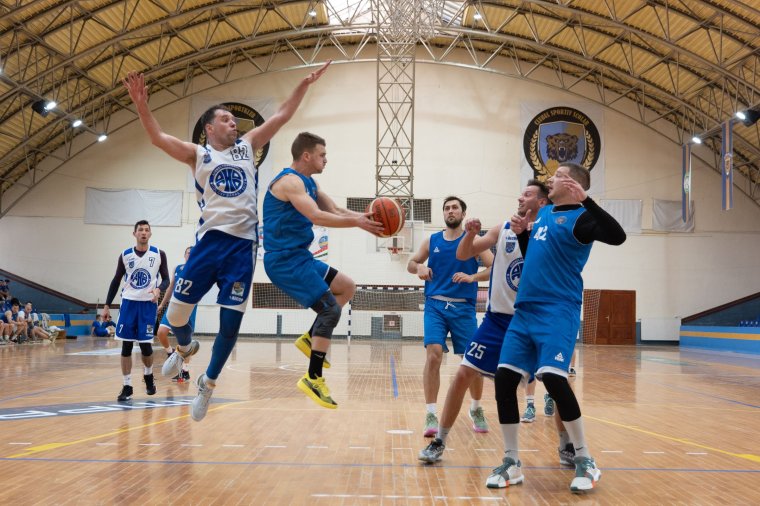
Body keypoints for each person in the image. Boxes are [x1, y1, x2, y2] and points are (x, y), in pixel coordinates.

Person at [124, 61, 331, 421]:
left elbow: (282, 115)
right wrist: (142, 106)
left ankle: (208, 383)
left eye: (235, 120)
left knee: (230, 324)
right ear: (209, 128)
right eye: (225, 119)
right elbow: (158, 138)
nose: (234, 123)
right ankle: (185, 347)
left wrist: (303, 84)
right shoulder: (197, 154)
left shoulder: (248, 146)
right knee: (175, 316)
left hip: (242, 246)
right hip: (208, 243)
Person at [487, 163, 626, 493]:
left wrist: (587, 200)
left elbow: (618, 237)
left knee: (552, 377)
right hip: (525, 310)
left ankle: (584, 459)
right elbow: (534, 256)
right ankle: (511, 462)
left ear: (573, 184)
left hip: (558, 309)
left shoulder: (582, 219)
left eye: (558, 175)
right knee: (505, 379)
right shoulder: (545, 214)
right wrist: (523, 234)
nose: (550, 179)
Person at [419, 182, 549, 463]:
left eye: (527, 194)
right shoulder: (502, 229)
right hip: (495, 319)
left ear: (542, 203)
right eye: (446, 207)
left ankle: (570, 446)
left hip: (531, 318)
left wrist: (471, 277)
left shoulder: (550, 234)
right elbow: (463, 254)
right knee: (462, 372)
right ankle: (440, 439)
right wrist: (470, 234)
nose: (519, 197)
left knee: (555, 381)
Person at [263, 132, 383, 409]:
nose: (326, 160)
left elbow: (336, 209)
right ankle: (313, 379)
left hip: (300, 256)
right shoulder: (289, 182)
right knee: (330, 310)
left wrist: (363, 219)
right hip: (283, 261)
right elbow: (316, 216)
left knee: (347, 287)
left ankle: (310, 338)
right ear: (306, 156)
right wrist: (358, 224)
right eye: (322, 155)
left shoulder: (310, 183)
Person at [407, 196, 494, 436]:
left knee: (472, 362)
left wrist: (473, 277)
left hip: (463, 308)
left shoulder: (474, 241)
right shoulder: (432, 240)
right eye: (446, 208)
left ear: (463, 214)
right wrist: (419, 267)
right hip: (435, 305)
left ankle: (476, 408)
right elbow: (411, 263)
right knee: (434, 355)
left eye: (455, 207)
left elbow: (494, 267)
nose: (450, 211)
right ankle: (431, 414)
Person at [102, 220, 170, 402]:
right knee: (127, 346)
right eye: (140, 230)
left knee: (146, 346)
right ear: (134, 234)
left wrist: (158, 289)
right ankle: (127, 386)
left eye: (147, 230)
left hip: (147, 305)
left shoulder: (159, 254)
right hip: (129, 304)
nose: (144, 232)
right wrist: (107, 305)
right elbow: (116, 280)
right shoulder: (125, 255)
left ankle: (148, 376)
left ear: (150, 234)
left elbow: (166, 280)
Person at [156, 246, 198, 382]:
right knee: (161, 332)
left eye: (193, 253)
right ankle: (170, 353)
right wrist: (162, 304)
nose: (190, 254)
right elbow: (170, 288)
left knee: (185, 342)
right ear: (184, 255)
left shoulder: (200, 268)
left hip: (189, 306)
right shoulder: (178, 268)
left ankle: (185, 370)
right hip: (174, 305)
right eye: (188, 253)